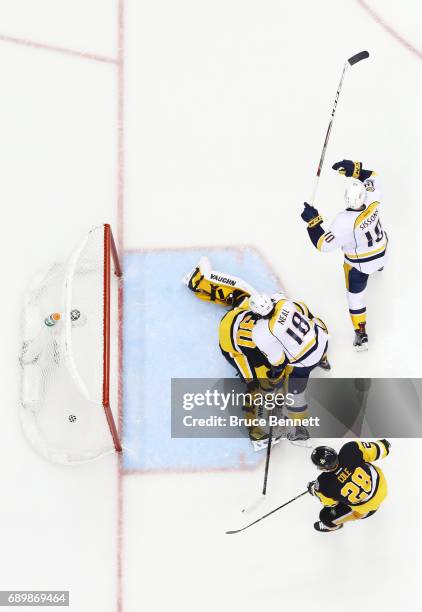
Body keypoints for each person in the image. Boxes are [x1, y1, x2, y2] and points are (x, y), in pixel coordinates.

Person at [183, 258, 329, 444]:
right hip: (233, 340)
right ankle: (256, 432)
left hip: (245, 313)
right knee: (256, 385)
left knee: (242, 295)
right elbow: (272, 367)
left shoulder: (271, 319)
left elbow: (280, 361)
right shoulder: (279, 312)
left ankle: (199, 280)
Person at [301, 159, 388, 351]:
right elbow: (373, 176)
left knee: (355, 299)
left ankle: (361, 332)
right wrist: (354, 170)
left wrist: (313, 221)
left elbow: (322, 245)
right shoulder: (373, 198)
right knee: (378, 255)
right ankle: (380, 267)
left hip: (360, 265)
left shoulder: (343, 222)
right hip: (382, 252)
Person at [307, 439, 390, 532]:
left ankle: (333, 526)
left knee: (325, 517)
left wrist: (314, 490)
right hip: (382, 488)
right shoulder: (350, 449)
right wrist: (384, 445)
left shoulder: (323, 484)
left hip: (367, 508)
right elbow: (380, 450)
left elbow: (330, 504)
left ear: (322, 468)